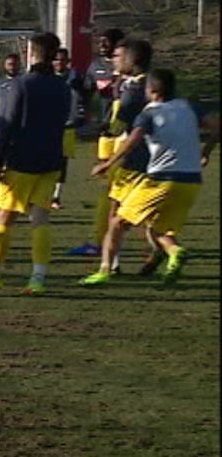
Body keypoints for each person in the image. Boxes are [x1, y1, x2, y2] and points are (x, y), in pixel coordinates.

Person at [82, 69, 218, 285]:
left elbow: (132, 141)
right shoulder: (189, 107)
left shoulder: (150, 112)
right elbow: (217, 126)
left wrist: (107, 163)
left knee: (117, 222)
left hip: (162, 179)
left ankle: (104, 270)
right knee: (156, 227)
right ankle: (175, 251)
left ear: (152, 90)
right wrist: (206, 151)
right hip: (191, 181)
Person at [0, 32, 70, 296]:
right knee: (40, 218)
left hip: (21, 160)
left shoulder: (19, 85)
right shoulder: (62, 87)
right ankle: (38, 277)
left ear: (32, 54)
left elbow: (6, 125)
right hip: (50, 160)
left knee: (5, 217)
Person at [77, 39, 155, 283]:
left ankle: (111, 265)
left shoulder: (133, 92)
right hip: (150, 158)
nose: (113, 59)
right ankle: (155, 252)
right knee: (143, 216)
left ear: (133, 60)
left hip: (134, 160)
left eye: (119, 56)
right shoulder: (145, 84)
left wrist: (85, 129)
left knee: (119, 214)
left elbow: (116, 127)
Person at [50, 48, 91, 210]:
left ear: (68, 61)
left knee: (62, 161)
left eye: (62, 60)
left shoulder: (75, 78)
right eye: (56, 60)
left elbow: (85, 96)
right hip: (48, 126)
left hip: (67, 126)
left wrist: (82, 114)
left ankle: (56, 196)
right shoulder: (47, 78)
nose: (59, 63)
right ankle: (42, 193)